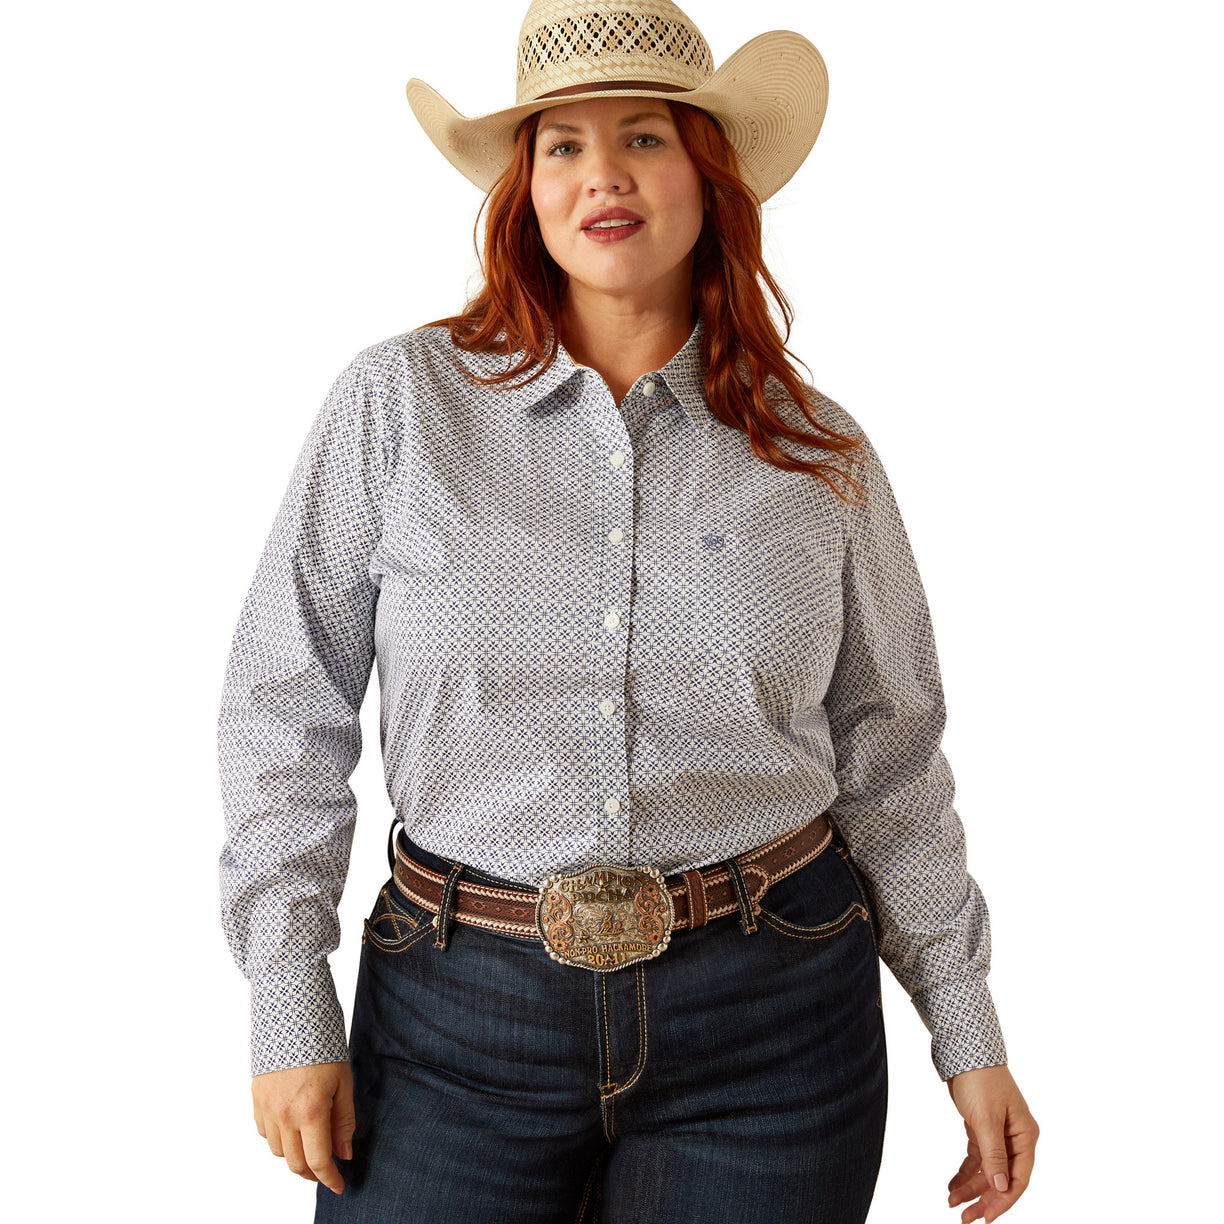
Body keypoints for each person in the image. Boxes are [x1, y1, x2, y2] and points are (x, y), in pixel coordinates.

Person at [216, 2, 1039, 1221]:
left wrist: (967, 1032)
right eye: (562, 144)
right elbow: (284, 706)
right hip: (452, 1023)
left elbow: (892, 758)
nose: (603, 173)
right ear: (526, 191)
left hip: (771, 1023)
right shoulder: (398, 406)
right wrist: (289, 997)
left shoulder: (819, 455)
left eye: (644, 137)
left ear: (710, 178)